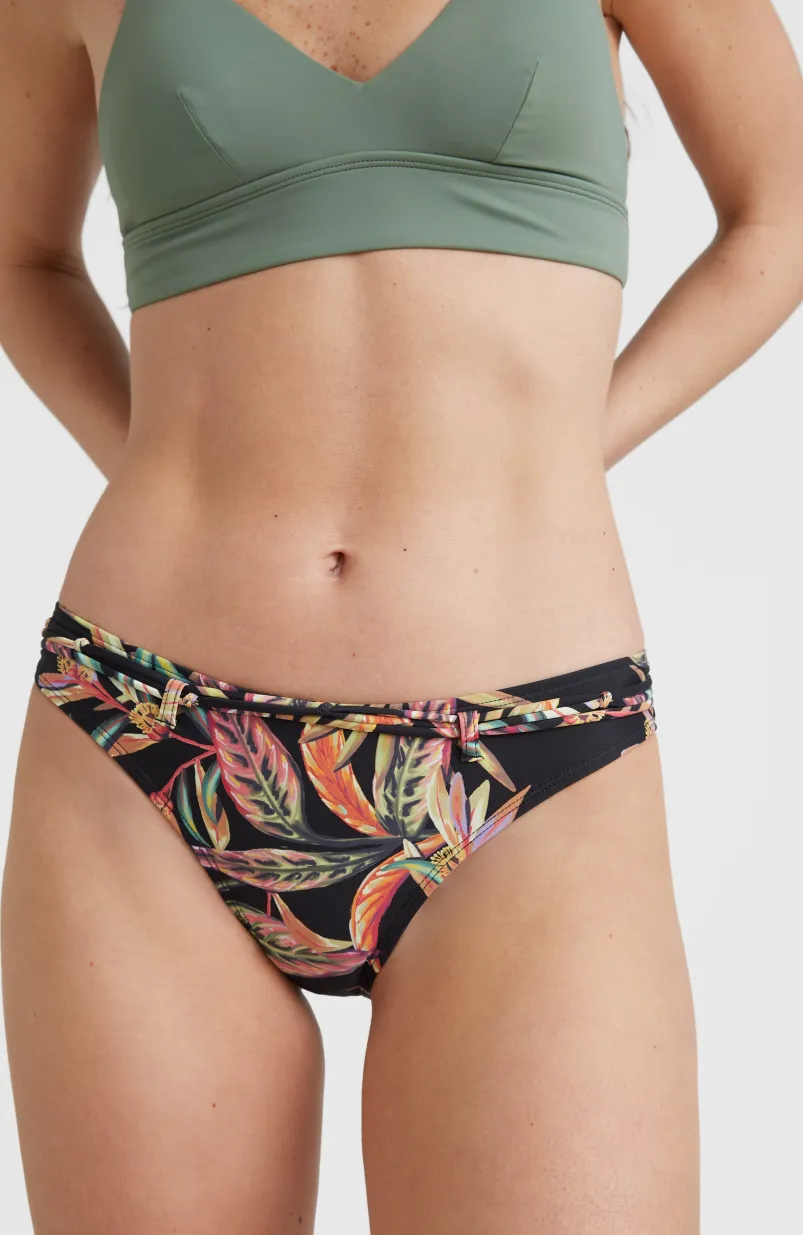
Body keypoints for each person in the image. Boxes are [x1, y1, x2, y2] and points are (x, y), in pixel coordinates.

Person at [1, 0, 801, 1231]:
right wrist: (167, 463)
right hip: (147, 719)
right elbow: (21, 257)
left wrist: (569, 451)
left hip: (528, 745)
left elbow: (781, 209)